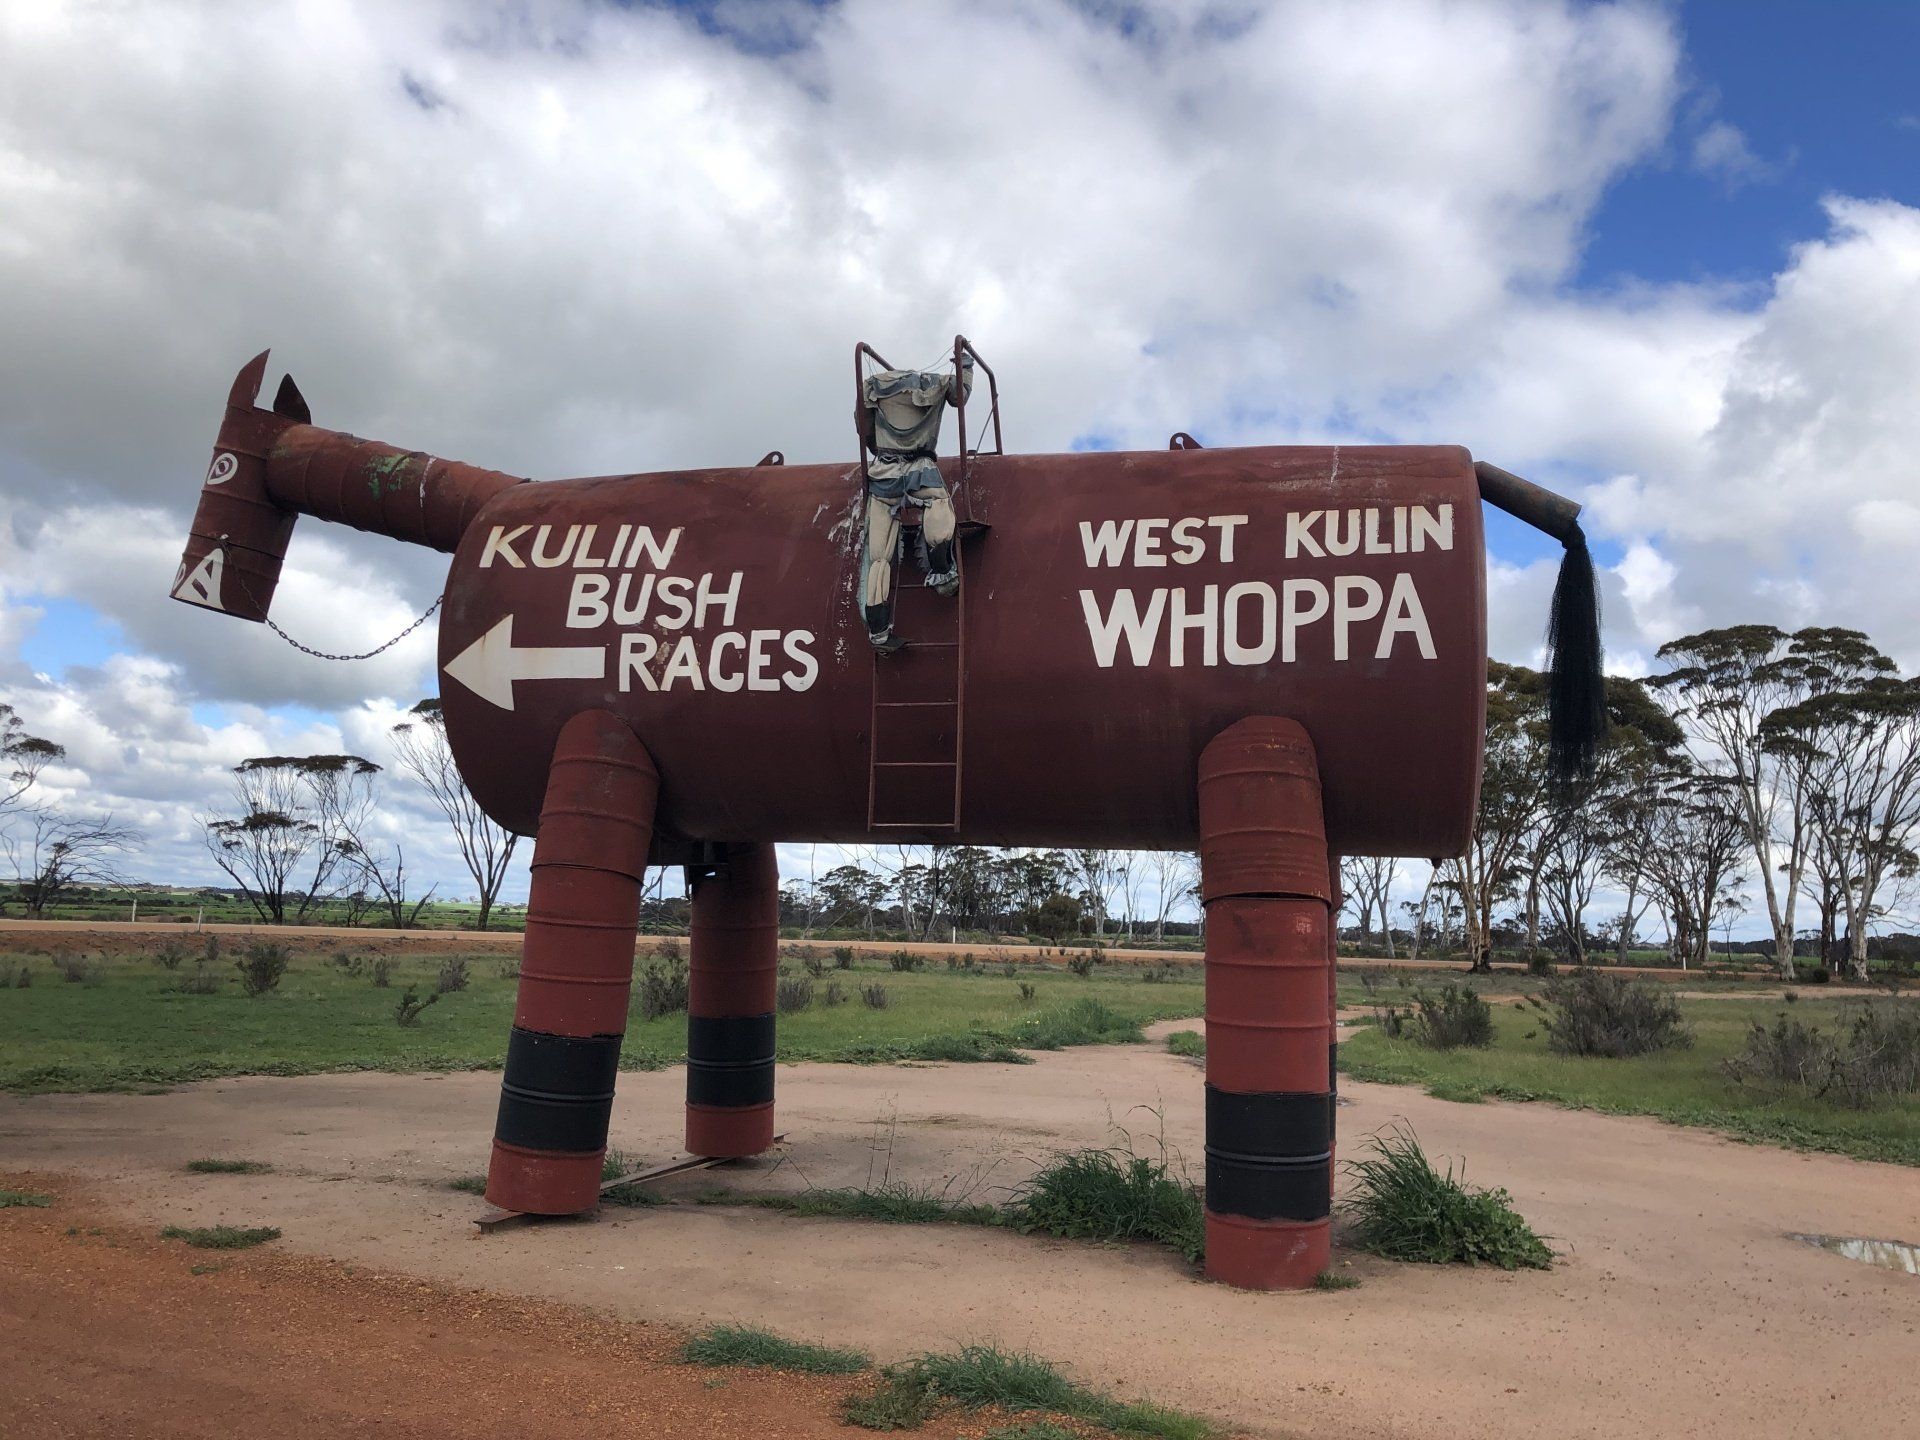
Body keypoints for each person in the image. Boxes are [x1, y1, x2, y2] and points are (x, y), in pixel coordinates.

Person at [857, 355, 972, 651]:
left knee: (879, 556)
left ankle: (878, 631)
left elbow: (863, 426)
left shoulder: (873, 387)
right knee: (938, 503)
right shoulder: (936, 384)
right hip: (920, 467)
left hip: (883, 471)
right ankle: (942, 571)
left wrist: (876, 448)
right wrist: (966, 366)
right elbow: (960, 395)